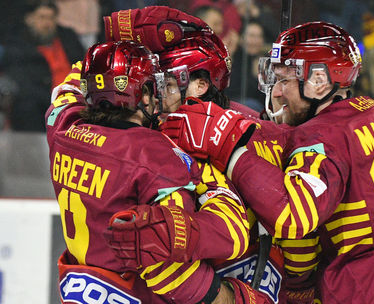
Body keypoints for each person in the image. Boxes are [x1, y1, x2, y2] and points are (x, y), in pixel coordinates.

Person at [163, 21, 374, 303]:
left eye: (285, 80)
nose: (276, 93)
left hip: (372, 291)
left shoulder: (321, 135)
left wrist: (231, 150)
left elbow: (293, 216)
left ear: (318, 81)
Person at [46, 40, 255, 304]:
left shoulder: (63, 126)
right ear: (142, 95)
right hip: (133, 294)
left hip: (79, 293)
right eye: (152, 87)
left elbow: (66, 89)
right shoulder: (155, 154)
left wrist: (111, 56)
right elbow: (174, 250)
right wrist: (215, 187)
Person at [2, 2, 84, 131]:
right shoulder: (17, 44)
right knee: (26, 106)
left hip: (76, 95)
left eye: (51, 18)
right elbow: (21, 81)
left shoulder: (68, 38)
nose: (47, 23)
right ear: (29, 19)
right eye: (42, 17)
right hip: (42, 100)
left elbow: (85, 64)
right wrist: (56, 101)